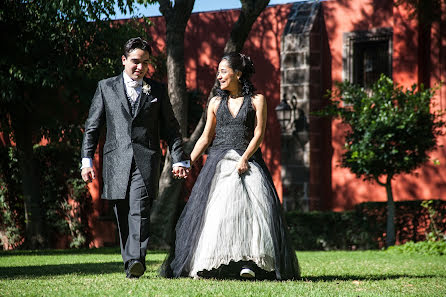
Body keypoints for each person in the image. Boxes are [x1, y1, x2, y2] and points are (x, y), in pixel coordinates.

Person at [162, 52, 300, 280]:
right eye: (218, 72)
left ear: (238, 73)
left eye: (223, 71)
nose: (219, 76)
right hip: (218, 163)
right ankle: (212, 264)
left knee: (254, 213)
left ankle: (251, 263)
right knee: (218, 214)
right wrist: (187, 162)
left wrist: (245, 157)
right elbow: (205, 138)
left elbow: (259, 134)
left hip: (249, 162)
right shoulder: (215, 102)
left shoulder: (258, 100)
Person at [80, 37, 190, 279]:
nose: (140, 67)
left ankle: (135, 262)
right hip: (115, 161)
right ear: (124, 60)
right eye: (135, 62)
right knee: (123, 212)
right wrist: (86, 161)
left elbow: (171, 128)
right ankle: (130, 261)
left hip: (146, 159)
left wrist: (180, 158)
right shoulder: (105, 87)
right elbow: (92, 127)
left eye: (145, 63)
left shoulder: (157, 90)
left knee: (139, 209)